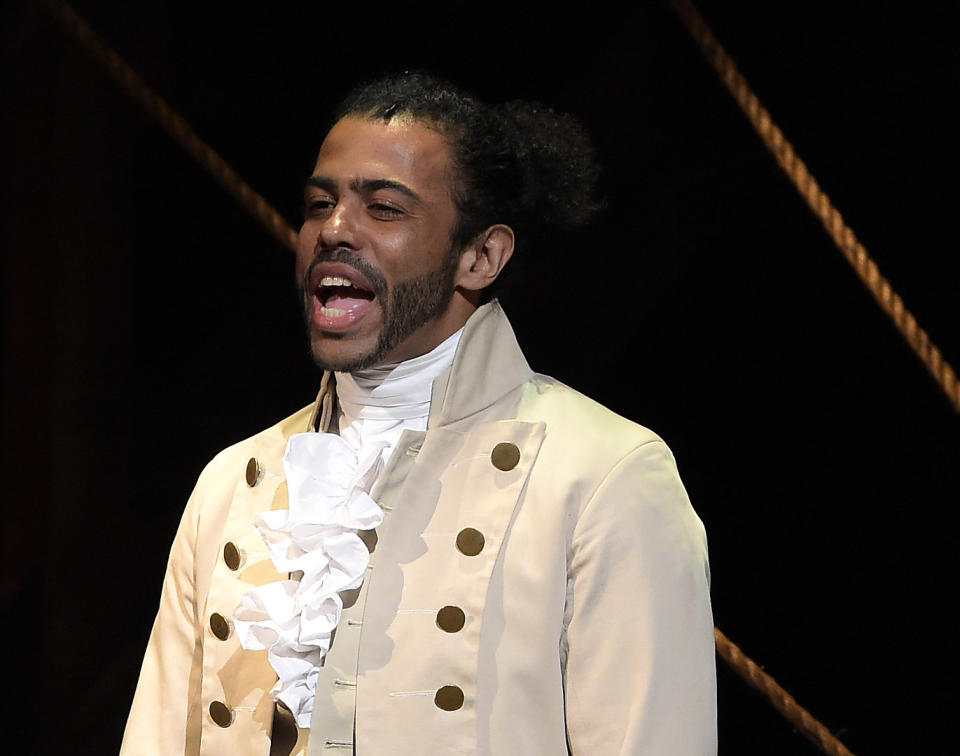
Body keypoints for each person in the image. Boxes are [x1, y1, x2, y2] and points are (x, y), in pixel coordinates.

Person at [121, 72, 717, 755]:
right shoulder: (233, 482)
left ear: (481, 255)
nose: (334, 231)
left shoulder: (602, 478)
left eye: (384, 208)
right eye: (320, 203)